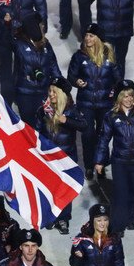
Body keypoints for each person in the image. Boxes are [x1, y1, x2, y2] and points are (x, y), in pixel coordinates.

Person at [94, 79, 134, 233]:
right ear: (119, 97)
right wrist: (99, 161)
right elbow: (104, 139)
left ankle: (130, 218)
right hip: (119, 161)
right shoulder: (111, 116)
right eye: (125, 96)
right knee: (120, 193)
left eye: (131, 95)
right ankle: (118, 225)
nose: (129, 99)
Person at [67, 23, 120, 179]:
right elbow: (71, 76)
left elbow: (117, 78)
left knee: (103, 135)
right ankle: (89, 166)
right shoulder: (79, 56)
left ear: (98, 38)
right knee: (87, 135)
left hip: (105, 103)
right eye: (86, 35)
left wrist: (114, 94)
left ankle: (101, 165)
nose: (87, 38)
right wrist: (77, 81)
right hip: (86, 103)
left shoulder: (109, 56)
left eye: (91, 35)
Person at [38, 77, 87, 233]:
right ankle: (50, 217)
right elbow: (36, 131)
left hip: (67, 157)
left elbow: (84, 125)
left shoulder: (71, 109)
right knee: (50, 187)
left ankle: (64, 218)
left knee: (65, 188)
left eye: (54, 92)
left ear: (62, 94)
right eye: (50, 91)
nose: (51, 94)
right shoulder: (44, 110)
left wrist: (66, 120)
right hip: (48, 157)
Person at [12, 12, 62, 126]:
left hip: (44, 92)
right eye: (40, 25)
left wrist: (61, 86)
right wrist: (8, 24)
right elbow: (7, 39)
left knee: (44, 126)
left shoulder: (46, 45)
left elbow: (53, 66)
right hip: (26, 93)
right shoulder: (19, 44)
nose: (43, 27)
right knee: (29, 127)